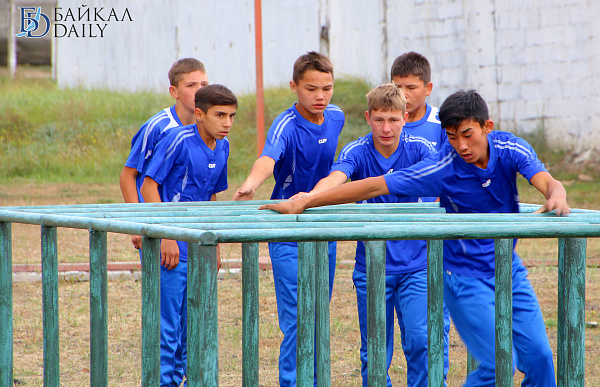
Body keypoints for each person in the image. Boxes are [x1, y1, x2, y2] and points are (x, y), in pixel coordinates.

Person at [261, 90, 569, 386]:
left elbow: (546, 181)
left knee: (540, 358)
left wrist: (556, 193)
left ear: (487, 127)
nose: (460, 145)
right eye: (451, 137)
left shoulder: (510, 148)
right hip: (461, 274)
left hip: (506, 266)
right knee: (496, 363)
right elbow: (370, 186)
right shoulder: (441, 166)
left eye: (467, 134)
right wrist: (306, 201)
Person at [291, 83, 448, 386]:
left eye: (393, 120)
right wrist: (308, 197)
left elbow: (443, 176)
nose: (386, 128)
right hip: (373, 267)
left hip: (416, 264)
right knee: (375, 350)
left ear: (405, 118)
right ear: (368, 117)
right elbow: (337, 177)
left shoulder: (420, 148)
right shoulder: (358, 150)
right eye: (379, 120)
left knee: (422, 341)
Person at [233, 51, 345, 386]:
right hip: (286, 227)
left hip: (322, 224)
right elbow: (269, 157)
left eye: (327, 87)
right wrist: (252, 184)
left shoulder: (336, 116)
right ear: (294, 86)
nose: (320, 96)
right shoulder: (286, 123)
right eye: (311, 88)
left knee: (318, 315)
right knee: (297, 317)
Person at [141, 84, 236, 387]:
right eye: (220, 115)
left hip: (200, 246)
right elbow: (148, 187)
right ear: (199, 114)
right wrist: (166, 235)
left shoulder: (224, 146)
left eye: (232, 116)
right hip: (170, 246)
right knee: (167, 327)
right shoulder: (178, 138)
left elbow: (210, 197)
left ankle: (191, 380)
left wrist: (215, 243)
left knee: (195, 325)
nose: (227, 123)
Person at [119, 58, 209, 249]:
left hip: (191, 224)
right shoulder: (157, 127)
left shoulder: (208, 128)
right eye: (191, 85)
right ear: (174, 91)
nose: (199, 91)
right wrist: (137, 225)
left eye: (204, 84)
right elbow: (128, 175)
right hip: (158, 222)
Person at [391, 52, 447, 151]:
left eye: (411, 88)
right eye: (397, 88)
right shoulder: (384, 123)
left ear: (428, 88)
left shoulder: (443, 122)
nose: (403, 95)